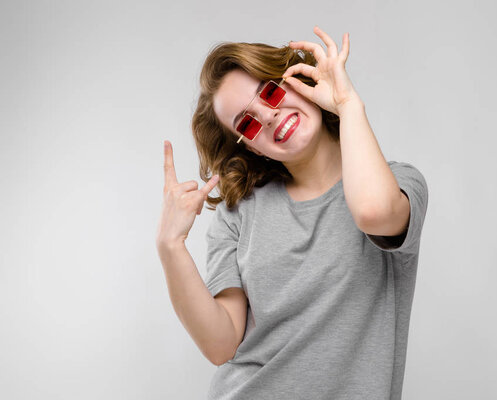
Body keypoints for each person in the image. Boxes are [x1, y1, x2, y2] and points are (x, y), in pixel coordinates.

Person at [156, 26, 428, 400]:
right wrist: (171, 246)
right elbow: (220, 345)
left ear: (295, 79)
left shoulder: (397, 182)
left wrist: (348, 105)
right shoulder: (239, 213)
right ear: (253, 148)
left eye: (269, 92)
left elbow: (373, 212)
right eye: (247, 123)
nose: (267, 117)